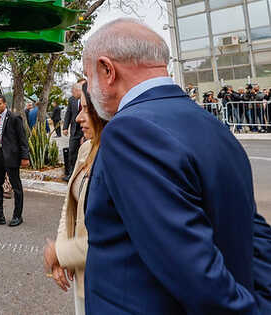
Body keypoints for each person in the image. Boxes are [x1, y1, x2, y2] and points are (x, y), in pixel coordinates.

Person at [82, 18, 271, 313]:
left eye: (88, 75)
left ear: (107, 70)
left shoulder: (128, 130)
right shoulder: (213, 125)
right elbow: (253, 232)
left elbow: (193, 271)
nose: (89, 91)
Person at [43, 81, 107, 315]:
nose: (78, 118)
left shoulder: (116, 157)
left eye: (86, 110)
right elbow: (69, 205)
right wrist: (62, 252)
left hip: (106, 283)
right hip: (80, 276)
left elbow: (114, 237)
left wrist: (60, 252)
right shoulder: (85, 149)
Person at [0, 94, 29, 227]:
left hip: (11, 157)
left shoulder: (14, 118)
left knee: (16, 187)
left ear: (5, 104)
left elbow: (22, 139)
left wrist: (25, 157)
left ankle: (17, 216)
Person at [62, 80, 85, 181]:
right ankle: (71, 174)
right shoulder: (71, 100)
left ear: (78, 91)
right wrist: (65, 127)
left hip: (85, 130)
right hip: (75, 131)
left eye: (73, 91)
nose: (72, 93)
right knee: (72, 152)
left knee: (84, 153)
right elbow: (68, 114)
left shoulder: (88, 98)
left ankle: (82, 176)